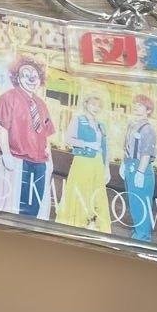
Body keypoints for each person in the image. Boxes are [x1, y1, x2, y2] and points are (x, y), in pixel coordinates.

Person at [0, 56, 55, 218]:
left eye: (35, 75)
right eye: (26, 75)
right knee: (15, 205)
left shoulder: (41, 104)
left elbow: (45, 135)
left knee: (34, 206)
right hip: (17, 159)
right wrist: (6, 154)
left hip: (40, 162)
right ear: (17, 78)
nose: (31, 79)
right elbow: (2, 128)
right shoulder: (8, 98)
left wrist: (50, 160)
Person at [55, 93, 112, 232]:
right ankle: (77, 222)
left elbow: (105, 148)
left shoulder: (101, 125)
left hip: (98, 163)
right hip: (82, 161)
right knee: (79, 190)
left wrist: (107, 168)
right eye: (93, 104)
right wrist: (86, 144)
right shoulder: (78, 120)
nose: (96, 108)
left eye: (98, 106)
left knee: (96, 192)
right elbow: (68, 139)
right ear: (86, 104)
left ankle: (93, 223)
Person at [121, 94, 157, 242]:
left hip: (140, 167)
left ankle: (143, 238)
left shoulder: (148, 129)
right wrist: (124, 163)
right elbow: (126, 147)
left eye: (140, 105)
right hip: (130, 165)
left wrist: (140, 172)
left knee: (141, 204)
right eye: (135, 104)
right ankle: (137, 233)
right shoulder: (132, 124)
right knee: (134, 203)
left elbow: (146, 153)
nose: (136, 107)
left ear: (148, 110)